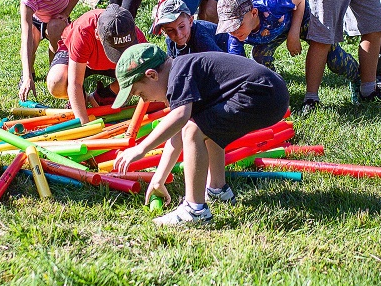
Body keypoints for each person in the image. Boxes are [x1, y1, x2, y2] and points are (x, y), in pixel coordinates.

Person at [111, 43, 290, 226]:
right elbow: (177, 135)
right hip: (271, 92)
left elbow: (181, 120)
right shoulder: (182, 70)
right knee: (204, 125)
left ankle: (195, 210)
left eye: (140, 93)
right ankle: (218, 189)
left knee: (194, 129)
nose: (144, 100)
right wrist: (158, 179)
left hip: (261, 93)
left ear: (152, 75)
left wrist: (141, 149)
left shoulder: (179, 74)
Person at [215, 0, 359, 81]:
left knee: (335, 60)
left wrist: (293, 34)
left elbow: (300, 1)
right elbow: (239, 66)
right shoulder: (235, 35)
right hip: (273, 33)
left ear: (254, 13)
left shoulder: (272, 4)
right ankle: (274, 89)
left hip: (301, 20)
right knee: (260, 57)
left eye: (237, 25)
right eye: (229, 28)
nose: (233, 31)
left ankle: (358, 77)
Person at [46, 4, 145, 124]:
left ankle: (103, 95)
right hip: (81, 59)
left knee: (140, 73)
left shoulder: (132, 32)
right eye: (114, 49)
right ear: (97, 34)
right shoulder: (83, 31)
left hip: (110, 64)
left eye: (122, 48)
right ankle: (80, 97)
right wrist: (84, 124)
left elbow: (150, 72)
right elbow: (75, 82)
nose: (118, 53)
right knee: (57, 82)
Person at [18, 0, 84, 101]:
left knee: (55, 32)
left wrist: (66, 12)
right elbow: (25, 37)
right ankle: (29, 75)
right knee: (29, 47)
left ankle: (54, 72)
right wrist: (27, 75)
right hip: (36, 21)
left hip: (57, 21)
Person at [150, 0, 226, 58]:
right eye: (170, 30)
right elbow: (173, 65)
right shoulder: (170, 41)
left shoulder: (201, 39)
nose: (178, 34)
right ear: (164, 31)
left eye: (182, 26)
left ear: (190, 21)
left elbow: (221, 62)